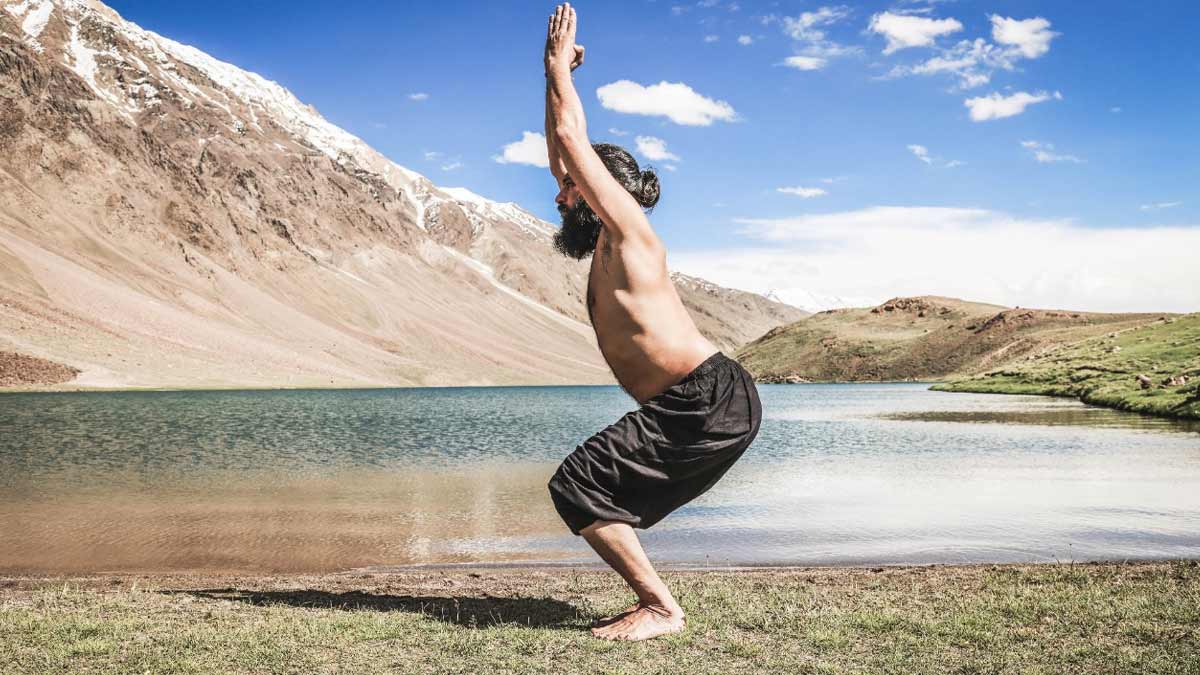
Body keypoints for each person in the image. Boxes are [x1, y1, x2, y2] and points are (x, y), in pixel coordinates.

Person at [542, 4, 762, 642]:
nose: (559, 193)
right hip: (696, 401)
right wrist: (555, 79)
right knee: (585, 489)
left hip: (705, 399)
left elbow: (573, 145)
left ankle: (662, 609)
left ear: (600, 186)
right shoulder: (606, 237)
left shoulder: (631, 232)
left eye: (571, 186)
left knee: (579, 484)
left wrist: (558, 69)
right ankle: (658, 604)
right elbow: (567, 148)